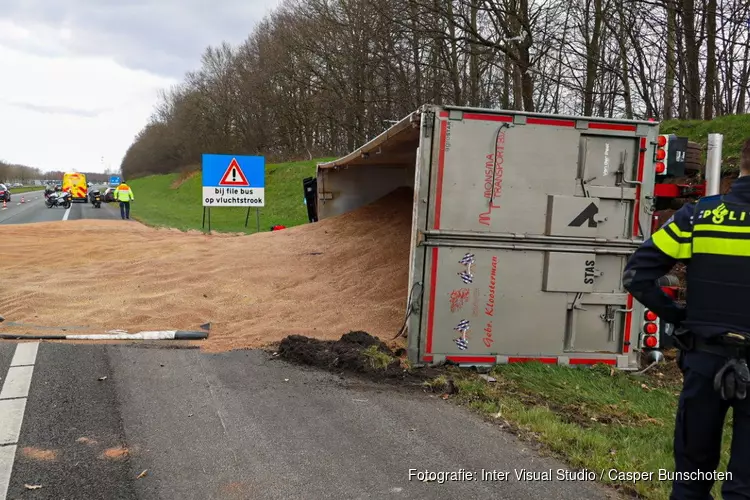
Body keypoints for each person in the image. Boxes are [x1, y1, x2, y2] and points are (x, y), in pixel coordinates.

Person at [622, 138, 750, 499]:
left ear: (740, 167)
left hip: (704, 359)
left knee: (691, 479)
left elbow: (637, 275)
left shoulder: (697, 216)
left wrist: (680, 317)